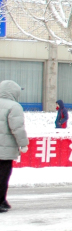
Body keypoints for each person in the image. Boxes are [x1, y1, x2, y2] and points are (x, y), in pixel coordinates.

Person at [0, 80, 29, 213]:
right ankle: (0, 202)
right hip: (4, 151)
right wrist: (23, 144)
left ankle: (2, 201)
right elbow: (17, 128)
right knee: (2, 177)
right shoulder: (14, 106)